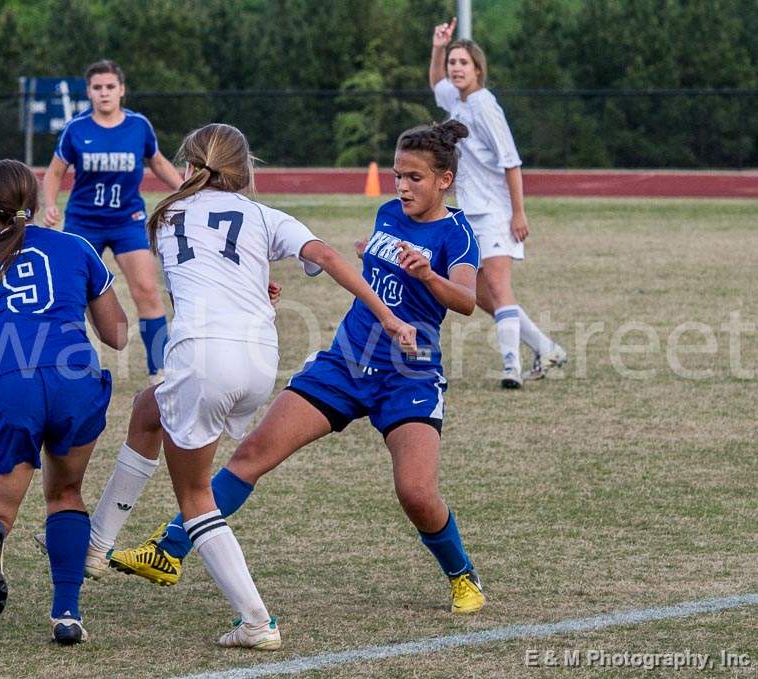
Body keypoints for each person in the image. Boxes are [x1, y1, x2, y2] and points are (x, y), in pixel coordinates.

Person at [108, 122, 488, 617]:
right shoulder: (388, 213)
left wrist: (428, 273)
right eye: (397, 175)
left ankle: (462, 574)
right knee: (253, 454)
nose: (402, 186)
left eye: (414, 178)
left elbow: (466, 300)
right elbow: (374, 280)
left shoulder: (457, 233)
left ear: (445, 180)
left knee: (415, 493)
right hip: (345, 362)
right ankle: (169, 549)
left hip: (409, 375)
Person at [0, 159, 128, 646]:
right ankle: (67, 614)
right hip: (75, 377)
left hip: (11, 379)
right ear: (35, 203)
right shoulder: (76, 246)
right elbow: (117, 334)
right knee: (65, 496)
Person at [429, 18, 566, 388]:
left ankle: (511, 370)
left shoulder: (485, 106)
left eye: (462, 63)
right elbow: (435, 85)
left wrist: (518, 213)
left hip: (495, 214)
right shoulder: (456, 100)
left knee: (500, 289)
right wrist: (438, 46)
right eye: (452, 62)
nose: (455, 69)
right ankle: (547, 348)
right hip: (467, 215)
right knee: (478, 295)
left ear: (478, 70)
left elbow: (511, 161)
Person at [42, 59, 183, 382]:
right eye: (97, 88)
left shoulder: (138, 126)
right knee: (72, 295)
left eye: (110, 87)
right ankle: (70, 365)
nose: (104, 93)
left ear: (122, 90)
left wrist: (185, 191)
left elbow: (158, 162)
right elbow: (54, 172)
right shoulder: (76, 129)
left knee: (147, 289)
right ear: (89, 92)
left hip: (128, 221)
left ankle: (159, 371)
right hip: (83, 224)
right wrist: (50, 204)